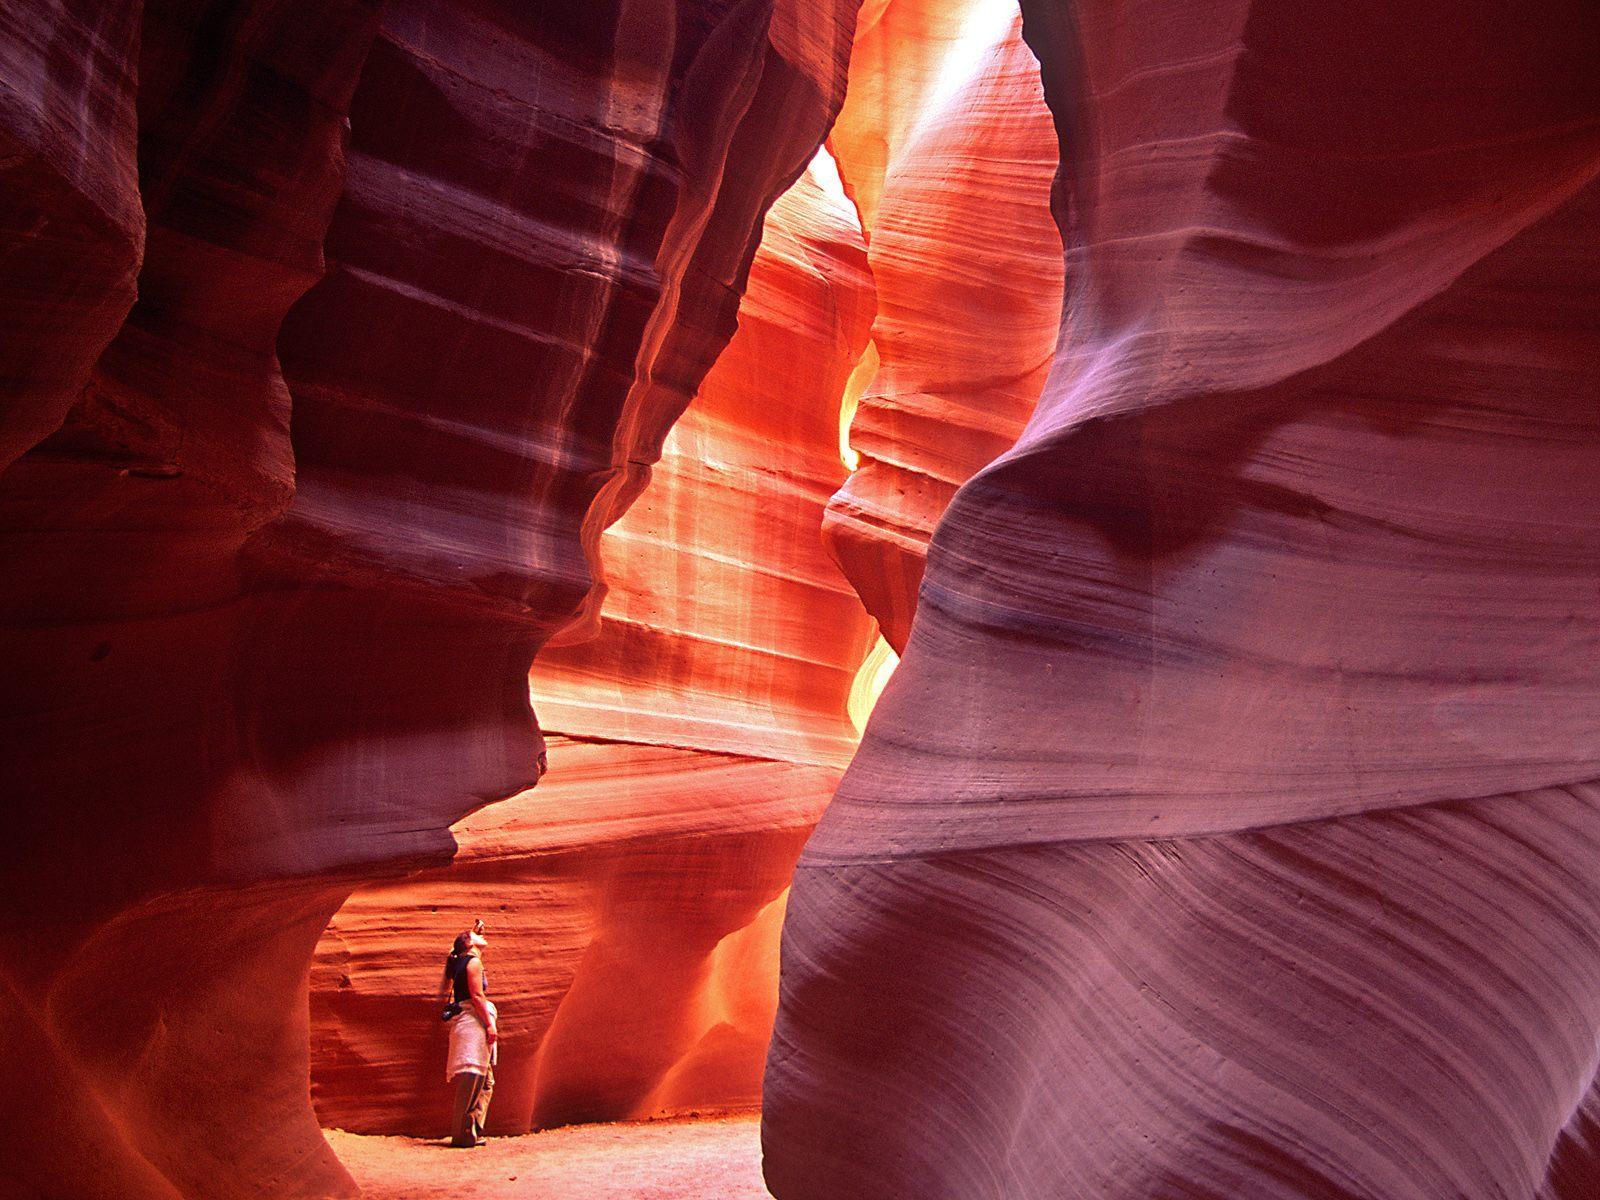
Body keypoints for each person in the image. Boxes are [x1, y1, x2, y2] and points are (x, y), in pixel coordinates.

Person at [438, 919, 497, 1147]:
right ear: (469, 944)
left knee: (485, 1080)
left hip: (468, 1021)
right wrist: (490, 1025)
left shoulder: (462, 961)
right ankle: (462, 1134)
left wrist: (472, 933)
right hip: (473, 1022)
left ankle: (471, 1130)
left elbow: (455, 950)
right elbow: (477, 996)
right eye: (475, 937)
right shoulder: (473, 963)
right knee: (473, 1080)